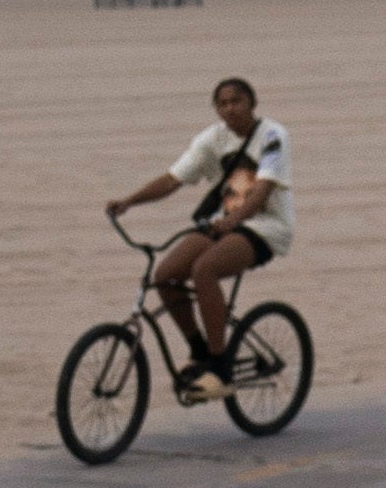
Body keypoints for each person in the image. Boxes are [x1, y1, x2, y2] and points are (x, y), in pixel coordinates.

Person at [108, 74, 291, 371]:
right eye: (222, 104)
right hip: (222, 223)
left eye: (236, 101)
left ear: (252, 103)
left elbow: (260, 193)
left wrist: (233, 221)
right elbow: (172, 180)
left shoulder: (272, 136)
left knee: (204, 270)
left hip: (266, 227)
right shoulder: (212, 139)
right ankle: (200, 350)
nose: (230, 109)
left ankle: (219, 364)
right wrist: (129, 201)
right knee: (165, 275)